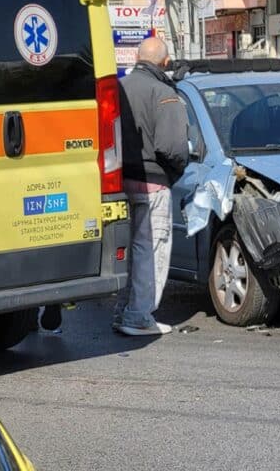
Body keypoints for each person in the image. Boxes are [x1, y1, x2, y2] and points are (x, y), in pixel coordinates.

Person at [113, 37, 189, 336]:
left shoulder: (118, 88)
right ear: (166, 63)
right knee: (150, 250)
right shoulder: (164, 92)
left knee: (129, 252)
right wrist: (174, 173)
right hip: (152, 184)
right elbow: (173, 148)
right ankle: (138, 317)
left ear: (136, 56)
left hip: (119, 182)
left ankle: (123, 313)